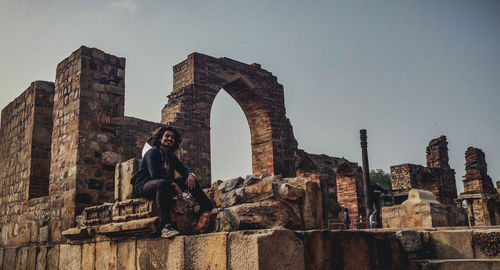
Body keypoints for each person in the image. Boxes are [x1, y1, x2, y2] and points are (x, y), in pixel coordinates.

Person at [132, 126, 214, 238]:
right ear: (161, 138)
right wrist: (172, 183)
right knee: (162, 183)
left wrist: (190, 174)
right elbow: (155, 175)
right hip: (145, 185)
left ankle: (208, 207)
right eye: (167, 136)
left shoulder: (170, 156)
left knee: (189, 180)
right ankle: (166, 226)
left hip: (166, 184)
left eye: (172, 137)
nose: (170, 139)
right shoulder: (153, 153)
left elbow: (183, 169)